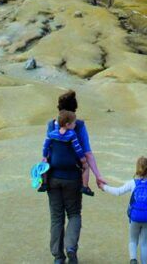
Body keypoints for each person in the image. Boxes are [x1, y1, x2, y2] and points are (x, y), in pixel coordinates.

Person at [45, 90, 106, 264]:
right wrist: (98, 176)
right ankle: (71, 247)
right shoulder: (78, 125)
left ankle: (58, 257)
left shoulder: (52, 124)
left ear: (59, 108)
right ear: (75, 109)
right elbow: (87, 153)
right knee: (74, 214)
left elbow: (46, 152)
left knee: (56, 217)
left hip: (53, 178)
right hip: (73, 178)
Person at [100, 156, 147, 264]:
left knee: (132, 240)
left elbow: (118, 192)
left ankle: (133, 259)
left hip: (134, 217)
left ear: (137, 169)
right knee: (144, 243)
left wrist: (104, 187)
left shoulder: (132, 183)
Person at [40, 110, 94, 196]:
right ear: (67, 124)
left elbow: (45, 146)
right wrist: (83, 159)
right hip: (70, 165)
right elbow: (77, 148)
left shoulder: (51, 134)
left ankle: (44, 184)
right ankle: (85, 187)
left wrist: (44, 156)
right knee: (86, 167)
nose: (75, 125)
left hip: (55, 164)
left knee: (44, 166)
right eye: (73, 123)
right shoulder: (72, 134)